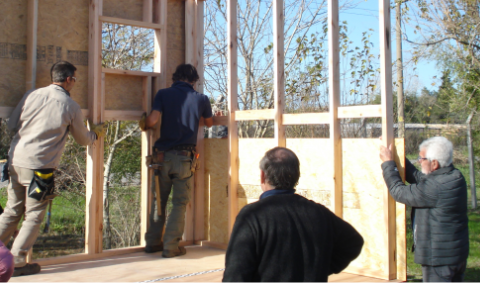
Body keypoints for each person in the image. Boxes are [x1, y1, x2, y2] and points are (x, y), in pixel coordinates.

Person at [0, 61, 102, 276]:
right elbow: (82, 139)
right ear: (69, 79)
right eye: (75, 79)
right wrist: (95, 134)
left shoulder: (31, 95)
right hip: (40, 169)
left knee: (12, 210)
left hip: (16, 161)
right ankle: (16, 262)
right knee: (33, 216)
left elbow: (11, 124)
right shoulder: (70, 106)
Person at [223, 147, 364, 282]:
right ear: (297, 176)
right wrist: (320, 268)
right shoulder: (319, 213)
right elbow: (353, 242)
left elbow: (235, 274)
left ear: (262, 176)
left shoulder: (252, 216)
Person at [141, 64, 214, 258]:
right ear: (194, 81)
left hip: (161, 157)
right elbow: (208, 123)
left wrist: (144, 122)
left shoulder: (163, 94)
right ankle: (171, 247)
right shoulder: (202, 99)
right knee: (179, 203)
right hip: (183, 159)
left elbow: (152, 121)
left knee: (159, 201)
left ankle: (152, 243)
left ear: (175, 78)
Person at [380, 136, 469, 282]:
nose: (419, 161)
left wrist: (388, 164)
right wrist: (396, 156)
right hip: (455, 255)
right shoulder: (455, 176)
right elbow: (417, 176)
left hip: (439, 261)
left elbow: (398, 192)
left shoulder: (435, 187)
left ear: (434, 163)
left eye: (421, 159)